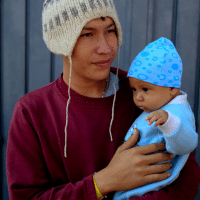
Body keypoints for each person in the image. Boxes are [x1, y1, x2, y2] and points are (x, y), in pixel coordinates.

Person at [6, 1, 200, 200]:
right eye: (88, 34)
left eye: (110, 30)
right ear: (61, 40)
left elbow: (186, 180)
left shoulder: (144, 92)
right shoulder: (32, 112)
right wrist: (104, 182)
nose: (106, 48)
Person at [113, 37, 198, 200]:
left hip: (145, 190)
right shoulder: (158, 104)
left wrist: (168, 122)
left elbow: (188, 143)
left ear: (172, 88)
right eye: (134, 89)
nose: (138, 97)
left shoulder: (177, 112)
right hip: (129, 185)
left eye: (145, 89)